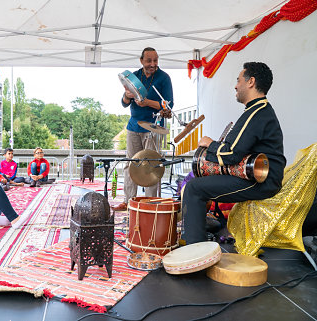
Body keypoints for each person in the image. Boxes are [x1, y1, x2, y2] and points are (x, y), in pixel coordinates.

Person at [182, 62, 286, 244]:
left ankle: (194, 252)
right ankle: (195, 242)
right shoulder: (258, 111)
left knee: (194, 188)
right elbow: (236, 149)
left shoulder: (257, 112)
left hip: (262, 181)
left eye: (238, 80)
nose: (236, 85)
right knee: (197, 185)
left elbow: (231, 154)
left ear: (251, 82)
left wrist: (209, 143)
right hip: (259, 177)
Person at [112, 47, 174, 211]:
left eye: (155, 60)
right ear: (141, 61)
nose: (153, 64)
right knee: (130, 164)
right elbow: (124, 103)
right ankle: (128, 201)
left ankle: (151, 202)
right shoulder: (134, 76)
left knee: (152, 166)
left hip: (153, 128)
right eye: (149, 61)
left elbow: (169, 104)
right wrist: (127, 96)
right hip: (133, 127)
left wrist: (147, 103)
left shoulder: (164, 78)